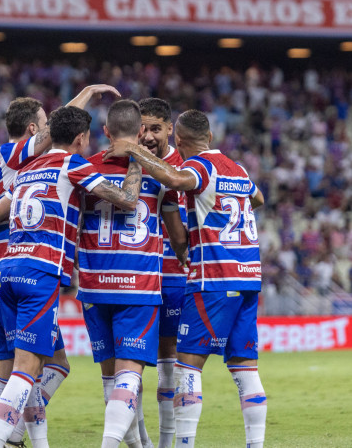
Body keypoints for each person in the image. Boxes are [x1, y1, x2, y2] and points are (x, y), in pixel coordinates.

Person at [0, 103, 143, 448]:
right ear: (81, 138)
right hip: (40, 272)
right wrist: (136, 159)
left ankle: (33, 442)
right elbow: (127, 200)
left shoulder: (26, 170)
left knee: (34, 367)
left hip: (3, 271)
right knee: (26, 369)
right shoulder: (73, 164)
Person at [105, 109, 267, 448]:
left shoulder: (200, 166)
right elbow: (258, 198)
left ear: (177, 139)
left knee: (187, 367)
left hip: (214, 278)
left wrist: (133, 149)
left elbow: (177, 180)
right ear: (210, 135)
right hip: (249, 276)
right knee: (246, 370)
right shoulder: (237, 168)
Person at [77, 99, 187, 448]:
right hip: (139, 285)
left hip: (94, 286)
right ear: (140, 131)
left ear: (105, 131)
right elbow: (177, 235)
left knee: (110, 376)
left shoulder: (84, 170)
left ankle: (141, 446)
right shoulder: (161, 174)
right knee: (130, 374)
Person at [138, 97, 189, 448]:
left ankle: (166, 443)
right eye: (142, 129)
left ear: (170, 128)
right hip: (135, 278)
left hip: (172, 276)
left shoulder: (186, 168)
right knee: (129, 365)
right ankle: (140, 440)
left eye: (156, 128)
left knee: (168, 360)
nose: (148, 136)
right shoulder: (128, 164)